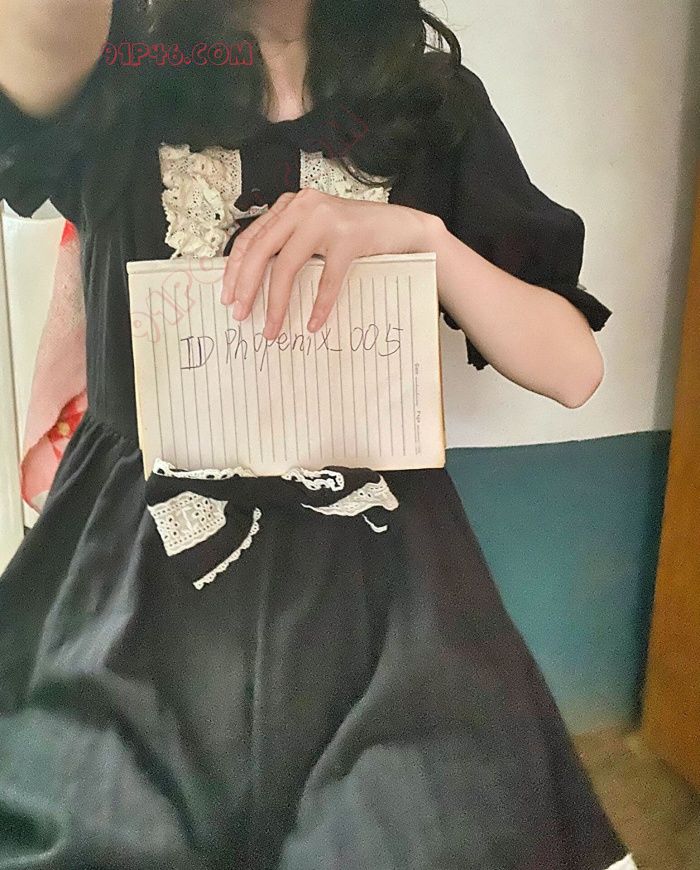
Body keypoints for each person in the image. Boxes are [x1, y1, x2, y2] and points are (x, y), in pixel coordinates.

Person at [0, 0, 637, 867]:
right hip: (135, 567)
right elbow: (40, 35)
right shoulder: (120, 74)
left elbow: (573, 368)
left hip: (382, 582)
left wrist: (421, 238)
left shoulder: (427, 102)